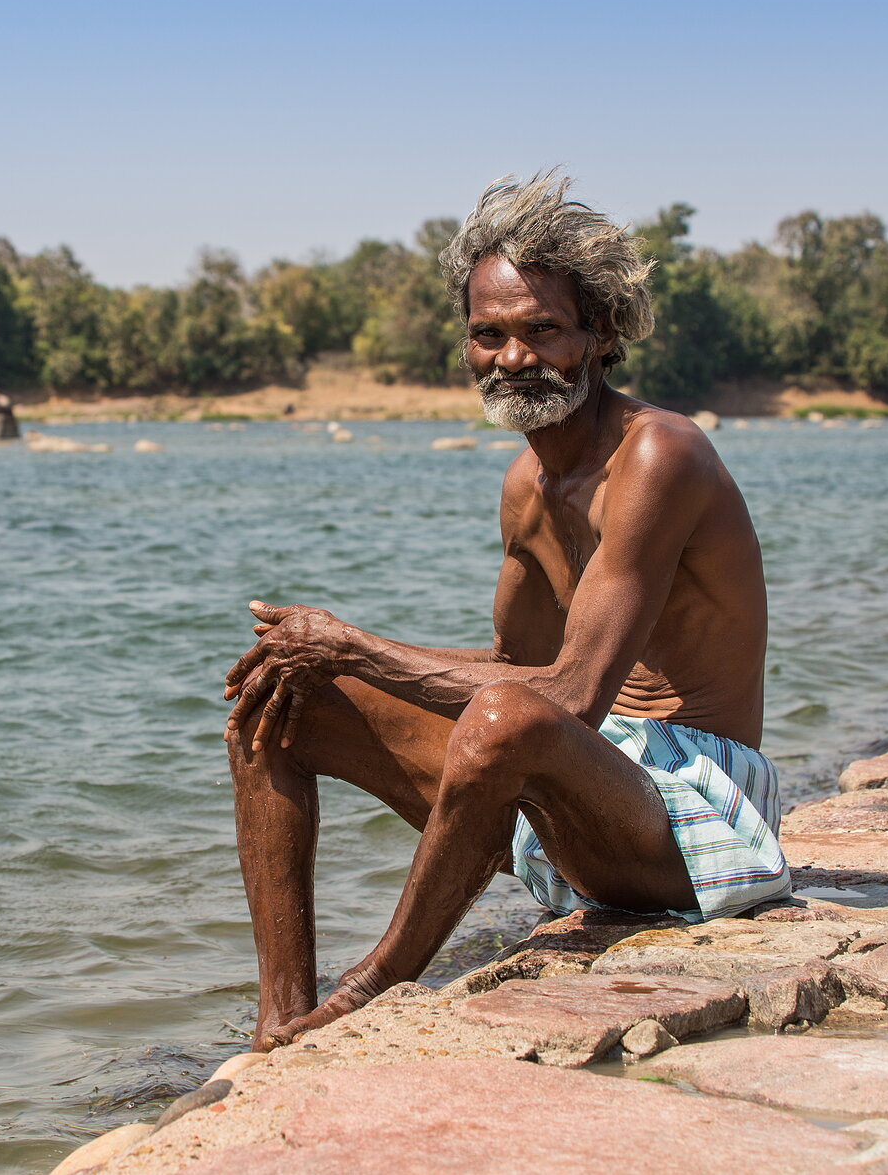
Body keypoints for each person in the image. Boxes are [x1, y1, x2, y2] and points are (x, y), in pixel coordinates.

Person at [222, 171, 790, 1052]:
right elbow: (511, 667)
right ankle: (278, 1021)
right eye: (488, 335)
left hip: (690, 815)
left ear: (599, 334)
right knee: (279, 703)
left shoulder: (659, 456)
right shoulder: (526, 484)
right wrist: (327, 662)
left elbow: (565, 699)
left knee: (497, 717)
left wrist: (356, 646)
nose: (513, 359)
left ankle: (372, 984)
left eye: (541, 331)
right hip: (577, 785)